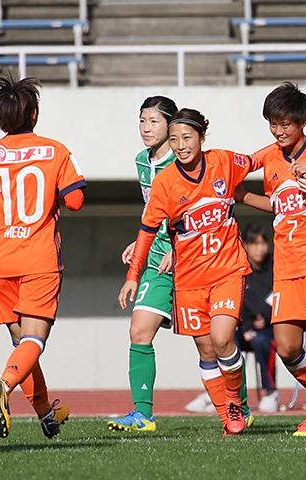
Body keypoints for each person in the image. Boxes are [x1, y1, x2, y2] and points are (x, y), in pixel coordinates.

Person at [119, 108, 253, 435]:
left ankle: (237, 402)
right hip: (189, 279)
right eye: (175, 139)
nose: (180, 145)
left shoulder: (223, 161)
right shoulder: (164, 180)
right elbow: (147, 230)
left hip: (227, 270)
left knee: (223, 339)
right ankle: (228, 416)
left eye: (187, 138)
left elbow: (261, 159)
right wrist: (132, 276)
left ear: (202, 138)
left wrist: (294, 158)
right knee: (206, 349)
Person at [0, 74, 86, 439]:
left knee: (22, 344)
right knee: (34, 340)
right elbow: (75, 200)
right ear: (35, 114)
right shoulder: (55, 150)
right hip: (38, 257)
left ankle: (46, 413)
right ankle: (4, 386)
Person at [236, 82, 306, 434]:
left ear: (303, 122)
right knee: (287, 347)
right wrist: (241, 195)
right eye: (273, 124)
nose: (279, 131)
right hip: (287, 264)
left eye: (285, 124)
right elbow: (277, 202)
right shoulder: (269, 156)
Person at [106, 96, 179, 432]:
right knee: (139, 330)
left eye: (153, 122)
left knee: (214, 341)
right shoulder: (141, 161)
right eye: (142, 121)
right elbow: (154, 211)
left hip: (191, 256)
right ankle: (143, 414)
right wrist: (142, 241)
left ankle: (238, 408)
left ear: (170, 125)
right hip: (156, 260)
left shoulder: (183, 162)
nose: (146, 129)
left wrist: (180, 248)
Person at [236, 223, 278, 413]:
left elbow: (279, 297)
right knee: (225, 341)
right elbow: (237, 301)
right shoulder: (240, 269)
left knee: (263, 341)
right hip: (245, 328)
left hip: (272, 327)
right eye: (255, 243)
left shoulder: (275, 267)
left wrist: (266, 319)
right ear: (245, 245)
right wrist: (246, 327)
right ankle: (231, 393)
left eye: (263, 243)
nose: (260, 248)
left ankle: (270, 391)